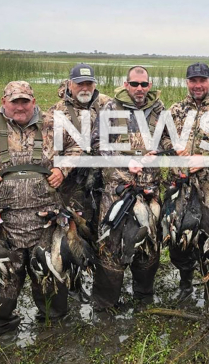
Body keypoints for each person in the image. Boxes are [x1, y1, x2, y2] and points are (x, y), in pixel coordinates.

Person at [0, 81, 81, 336]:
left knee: (50, 279)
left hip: (46, 220)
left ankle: (53, 326)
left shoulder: (54, 124)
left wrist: (62, 169)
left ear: (33, 102)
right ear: (4, 102)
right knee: (3, 283)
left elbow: (76, 147)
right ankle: (3, 326)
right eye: (14, 101)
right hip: (4, 222)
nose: (20, 106)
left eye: (25, 101)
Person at [90, 66, 165, 313]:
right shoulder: (110, 108)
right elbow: (97, 143)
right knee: (111, 244)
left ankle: (143, 297)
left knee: (148, 242)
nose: (139, 89)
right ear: (126, 84)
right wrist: (124, 160)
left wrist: (160, 153)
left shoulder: (159, 109)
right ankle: (105, 303)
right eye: (135, 84)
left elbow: (168, 141)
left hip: (150, 189)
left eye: (144, 84)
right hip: (117, 190)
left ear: (150, 85)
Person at [163, 62, 209, 301]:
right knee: (177, 242)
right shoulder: (175, 110)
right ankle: (185, 283)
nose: (197, 85)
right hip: (179, 189)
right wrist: (173, 146)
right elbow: (161, 139)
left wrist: (208, 158)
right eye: (193, 81)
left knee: (208, 242)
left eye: (202, 80)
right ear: (187, 82)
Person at [48, 63, 110, 238]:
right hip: (71, 179)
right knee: (75, 224)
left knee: (104, 221)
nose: (84, 88)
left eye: (88, 84)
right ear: (69, 84)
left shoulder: (108, 105)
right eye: (79, 84)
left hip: (103, 176)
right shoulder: (56, 111)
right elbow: (50, 149)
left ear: (94, 85)